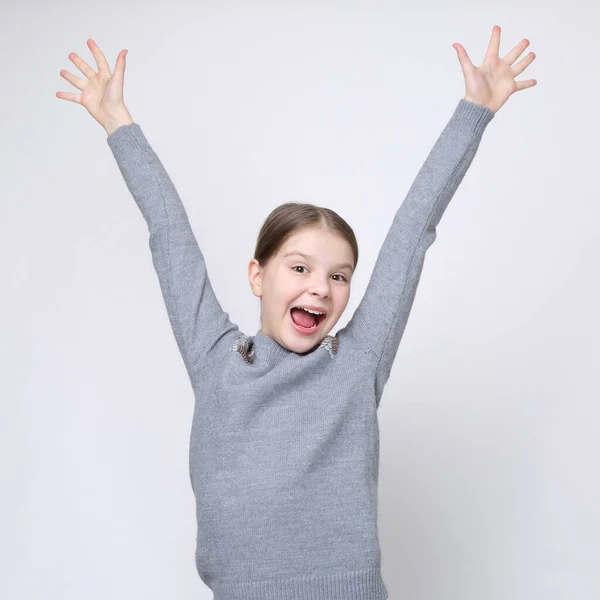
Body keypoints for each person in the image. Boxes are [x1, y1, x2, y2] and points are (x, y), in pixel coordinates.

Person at [56, 25, 537, 600]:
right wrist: (118, 125)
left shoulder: (356, 364)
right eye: (300, 268)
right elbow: (170, 236)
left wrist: (473, 112)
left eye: (339, 276)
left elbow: (412, 233)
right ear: (259, 275)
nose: (321, 289)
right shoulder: (217, 359)